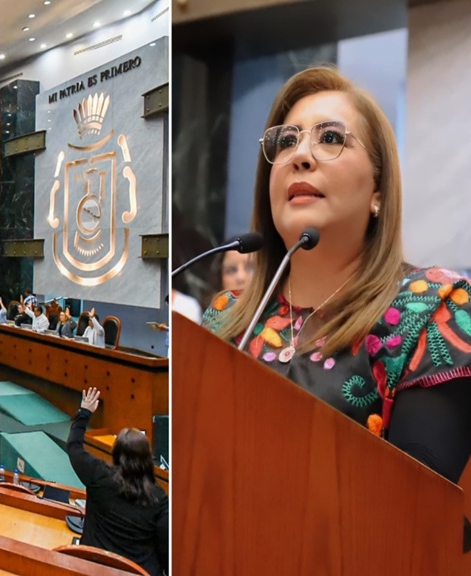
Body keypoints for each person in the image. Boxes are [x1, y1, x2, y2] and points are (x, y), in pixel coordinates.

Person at [202, 67, 471, 494]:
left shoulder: (433, 309)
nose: (299, 155)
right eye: (286, 141)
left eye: (330, 138)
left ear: (378, 191)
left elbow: (415, 520)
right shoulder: (226, 318)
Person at [67, 388, 168, 575]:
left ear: (115, 454)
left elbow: (74, 446)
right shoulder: (159, 498)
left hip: (92, 569)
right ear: (148, 458)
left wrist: (85, 412)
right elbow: (165, 546)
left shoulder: (98, 475)